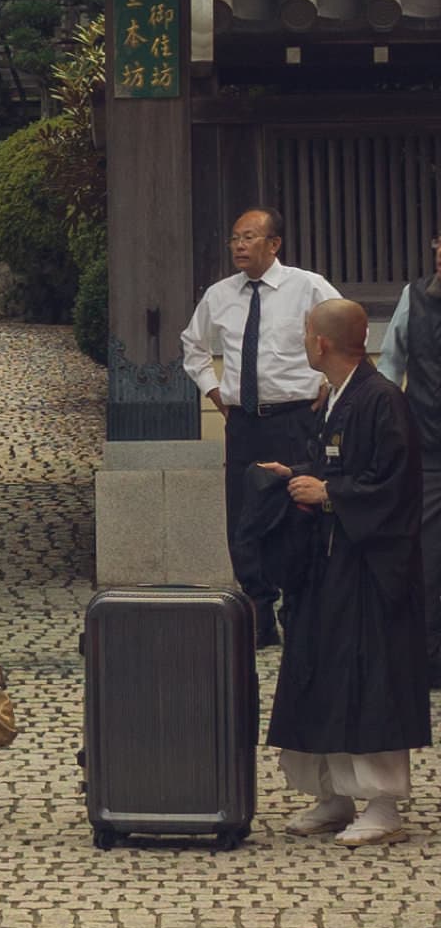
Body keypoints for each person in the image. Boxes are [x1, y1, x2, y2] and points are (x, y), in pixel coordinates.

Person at [258, 299, 431, 847]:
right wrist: (301, 475)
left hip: (368, 568)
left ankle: (382, 803)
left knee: (368, 679)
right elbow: (339, 465)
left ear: (322, 344)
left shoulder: (382, 401)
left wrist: (330, 493)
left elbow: (394, 487)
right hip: (328, 563)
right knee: (320, 672)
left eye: (307, 334)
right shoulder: (335, 397)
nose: (306, 342)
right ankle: (331, 795)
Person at [181, 208, 340, 648]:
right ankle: (258, 607)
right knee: (244, 516)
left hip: (296, 418)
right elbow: (192, 347)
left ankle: (299, 606)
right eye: (234, 239)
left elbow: (344, 326)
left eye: (249, 238)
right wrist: (215, 393)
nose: (239, 246)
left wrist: (329, 380)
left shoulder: (306, 286)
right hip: (245, 420)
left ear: (274, 244)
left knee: (296, 509)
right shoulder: (220, 294)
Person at [372, 233, 441, 685]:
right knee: (428, 560)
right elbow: (390, 366)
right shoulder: (413, 299)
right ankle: (430, 663)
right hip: (429, 449)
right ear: (436, 246)